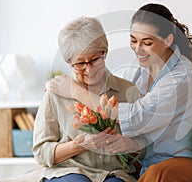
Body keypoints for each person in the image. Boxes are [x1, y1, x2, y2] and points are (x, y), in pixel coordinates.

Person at [48, 3, 192, 181]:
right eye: (133, 40)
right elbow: (112, 91)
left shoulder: (184, 77)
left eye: (147, 42)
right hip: (146, 161)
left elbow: (138, 116)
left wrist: (75, 91)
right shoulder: (139, 70)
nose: (137, 49)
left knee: (157, 175)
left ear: (168, 40)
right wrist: (69, 83)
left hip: (185, 159)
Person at [33, 16, 145, 182]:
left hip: (114, 173)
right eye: (80, 63)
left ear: (104, 52)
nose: (89, 69)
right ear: (69, 62)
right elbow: (41, 152)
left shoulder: (128, 91)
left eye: (95, 59)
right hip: (68, 171)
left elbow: (145, 146)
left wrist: (127, 145)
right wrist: (79, 145)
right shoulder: (54, 93)